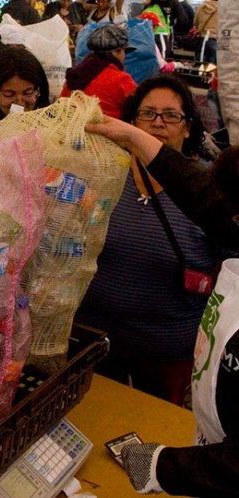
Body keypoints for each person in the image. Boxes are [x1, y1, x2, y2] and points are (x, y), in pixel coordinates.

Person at [83, 115, 239, 496]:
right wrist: (132, 136)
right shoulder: (230, 215)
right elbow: (201, 194)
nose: (232, 220)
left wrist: (156, 464)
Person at [75, 74, 230, 407]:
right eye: (148, 114)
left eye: (171, 115)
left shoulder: (206, 192)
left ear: (188, 127)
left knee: (160, 426)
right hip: (94, 339)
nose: (158, 123)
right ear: (131, 122)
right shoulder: (102, 174)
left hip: (168, 350)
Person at [60, 23, 137, 118]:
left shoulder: (75, 75)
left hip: (72, 130)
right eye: (124, 51)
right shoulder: (122, 80)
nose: (124, 56)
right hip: (110, 131)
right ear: (117, 52)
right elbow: (137, 111)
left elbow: (60, 107)